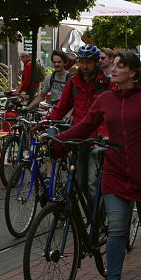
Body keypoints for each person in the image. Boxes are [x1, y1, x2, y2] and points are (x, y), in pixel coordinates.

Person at [49, 51, 141, 280]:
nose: (113, 69)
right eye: (113, 65)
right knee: (117, 228)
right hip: (115, 172)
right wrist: (58, 142)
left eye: (119, 66)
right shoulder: (106, 98)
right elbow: (85, 125)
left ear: (132, 72)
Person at [47, 44, 111, 204]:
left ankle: (96, 221)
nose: (84, 65)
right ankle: (86, 218)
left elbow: (111, 113)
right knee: (79, 182)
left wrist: (105, 134)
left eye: (88, 62)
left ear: (96, 62)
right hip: (78, 137)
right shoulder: (74, 82)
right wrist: (46, 122)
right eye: (82, 62)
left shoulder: (106, 83)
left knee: (92, 183)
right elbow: (62, 108)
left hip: (97, 140)